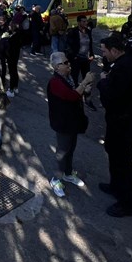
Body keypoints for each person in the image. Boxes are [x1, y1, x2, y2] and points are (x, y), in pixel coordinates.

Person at [97, 34, 132, 217]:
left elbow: (114, 95)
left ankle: (126, 204)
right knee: (112, 151)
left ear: (115, 50)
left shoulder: (124, 68)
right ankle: (115, 186)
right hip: (120, 119)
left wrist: (102, 82)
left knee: (123, 160)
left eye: (104, 51)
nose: (103, 54)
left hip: (124, 120)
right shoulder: (123, 63)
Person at [47, 51, 89, 198]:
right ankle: (56, 179)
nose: (68, 64)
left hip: (72, 121)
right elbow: (71, 96)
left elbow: (75, 93)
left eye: (67, 62)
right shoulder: (55, 82)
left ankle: (68, 173)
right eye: (64, 63)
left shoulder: (67, 77)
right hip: (63, 122)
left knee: (71, 148)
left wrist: (83, 89)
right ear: (56, 67)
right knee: (62, 152)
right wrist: (84, 83)